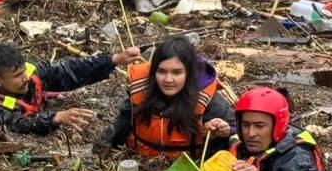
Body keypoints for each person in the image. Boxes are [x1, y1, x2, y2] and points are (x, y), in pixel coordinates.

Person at [96, 36, 235, 160]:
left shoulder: (208, 101)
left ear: (189, 73)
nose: (168, 79)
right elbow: (125, 120)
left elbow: (239, 131)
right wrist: (105, 147)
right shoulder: (141, 90)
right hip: (141, 161)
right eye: (161, 71)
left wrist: (225, 131)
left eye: (177, 72)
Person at [0, 43, 141, 135]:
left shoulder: (28, 73)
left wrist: (113, 60)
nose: (25, 78)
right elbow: (15, 123)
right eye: (18, 76)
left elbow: (67, 71)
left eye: (23, 71)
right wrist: (55, 118)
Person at [229, 87, 326, 171]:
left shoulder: (297, 157)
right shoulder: (238, 143)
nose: (250, 133)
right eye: (245, 125)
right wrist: (213, 138)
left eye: (259, 126)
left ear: (278, 126)